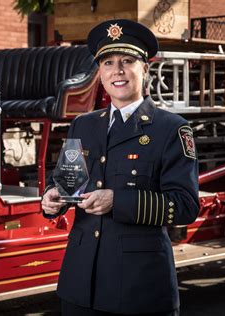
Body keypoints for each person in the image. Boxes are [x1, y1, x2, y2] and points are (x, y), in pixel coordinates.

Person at [41, 19, 199, 316]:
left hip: (138, 289)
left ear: (145, 70)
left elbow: (186, 206)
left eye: (128, 61)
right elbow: (66, 182)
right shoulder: (83, 124)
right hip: (79, 285)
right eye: (108, 62)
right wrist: (52, 198)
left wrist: (117, 201)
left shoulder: (172, 129)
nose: (118, 71)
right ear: (99, 73)